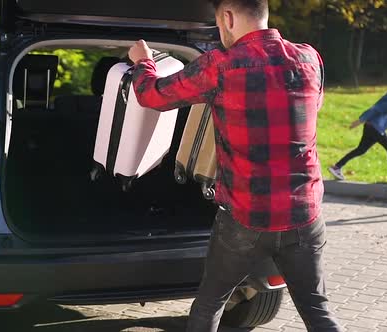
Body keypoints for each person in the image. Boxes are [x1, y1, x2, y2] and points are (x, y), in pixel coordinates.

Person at [127, 0, 341, 331]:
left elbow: (152, 96)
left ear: (227, 17)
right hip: (304, 216)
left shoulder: (220, 66)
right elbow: (313, 108)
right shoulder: (309, 58)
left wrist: (144, 62)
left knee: (210, 304)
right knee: (318, 310)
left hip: (245, 219)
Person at [328, 73, 387, 183]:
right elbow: (374, 110)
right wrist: (360, 120)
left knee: (361, 150)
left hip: (373, 127)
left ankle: (337, 167)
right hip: (375, 128)